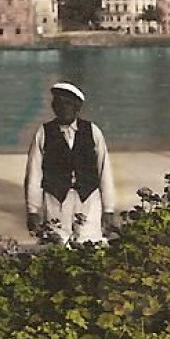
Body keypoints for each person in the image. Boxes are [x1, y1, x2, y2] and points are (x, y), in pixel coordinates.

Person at [23, 81, 117, 246]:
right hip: (56, 201)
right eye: (58, 104)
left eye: (68, 104)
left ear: (77, 106)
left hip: (88, 199)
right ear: (53, 107)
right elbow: (34, 173)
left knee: (90, 243)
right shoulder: (44, 132)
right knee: (58, 244)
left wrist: (108, 209)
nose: (63, 108)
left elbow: (104, 170)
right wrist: (33, 210)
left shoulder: (92, 131)